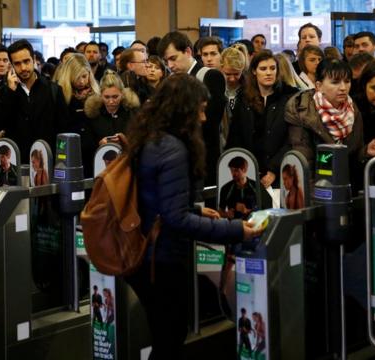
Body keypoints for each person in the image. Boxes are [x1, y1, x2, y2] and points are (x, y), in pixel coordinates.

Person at [125, 74, 261, 359]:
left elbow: (155, 197)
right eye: (198, 109)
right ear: (182, 110)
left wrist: (197, 209)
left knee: (163, 334)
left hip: (146, 252)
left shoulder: (150, 137)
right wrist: (235, 230)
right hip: (161, 258)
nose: (202, 118)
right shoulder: (174, 149)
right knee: (170, 338)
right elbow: (176, 219)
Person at [285, 59, 375, 190]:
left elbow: (353, 157)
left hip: (346, 188)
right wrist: (316, 201)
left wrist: (366, 151)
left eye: (347, 81)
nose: (343, 88)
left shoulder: (352, 110)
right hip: (316, 190)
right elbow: (304, 163)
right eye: (335, 82)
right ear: (319, 86)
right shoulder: (303, 112)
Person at [158, 31, 227, 186]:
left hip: (203, 163)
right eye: (166, 61)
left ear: (188, 52)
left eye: (173, 58)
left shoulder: (210, 76)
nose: (169, 66)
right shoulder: (170, 82)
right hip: (177, 162)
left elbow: (208, 124)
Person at [226, 50, 299, 188]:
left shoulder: (289, 96)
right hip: (248, 172)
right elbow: (235, 136)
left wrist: (274, 169)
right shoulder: (244, 98)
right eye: (263, 69)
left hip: (281, 171)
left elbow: (292, 139)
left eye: (272, 68)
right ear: (254, 71)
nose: (268, 73)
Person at [0, 39, 67, 155]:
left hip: (47, 158)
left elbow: (63, 129)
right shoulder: (5, 91)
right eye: (17, 63)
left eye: (26, 61)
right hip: (17, 159)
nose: (23, 68)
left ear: (34, 59)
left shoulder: (53, 89)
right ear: (11, 65)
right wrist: (10, 93)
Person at [53, 53, 100, 177]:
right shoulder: (60, 95)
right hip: (70, 154)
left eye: (84, 76)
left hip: (93, 154)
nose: (82, 81)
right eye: (77, 77)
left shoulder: (97, 94)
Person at [84, 70, 140, 150]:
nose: (111, 101)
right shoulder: (93, 114)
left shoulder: (133, 112)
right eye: (106, 97)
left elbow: (141, 141)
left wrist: (126, 142)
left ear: (122, 94)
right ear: (100, 95)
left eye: (115, 97)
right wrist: (99, 144)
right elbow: (87, 146)